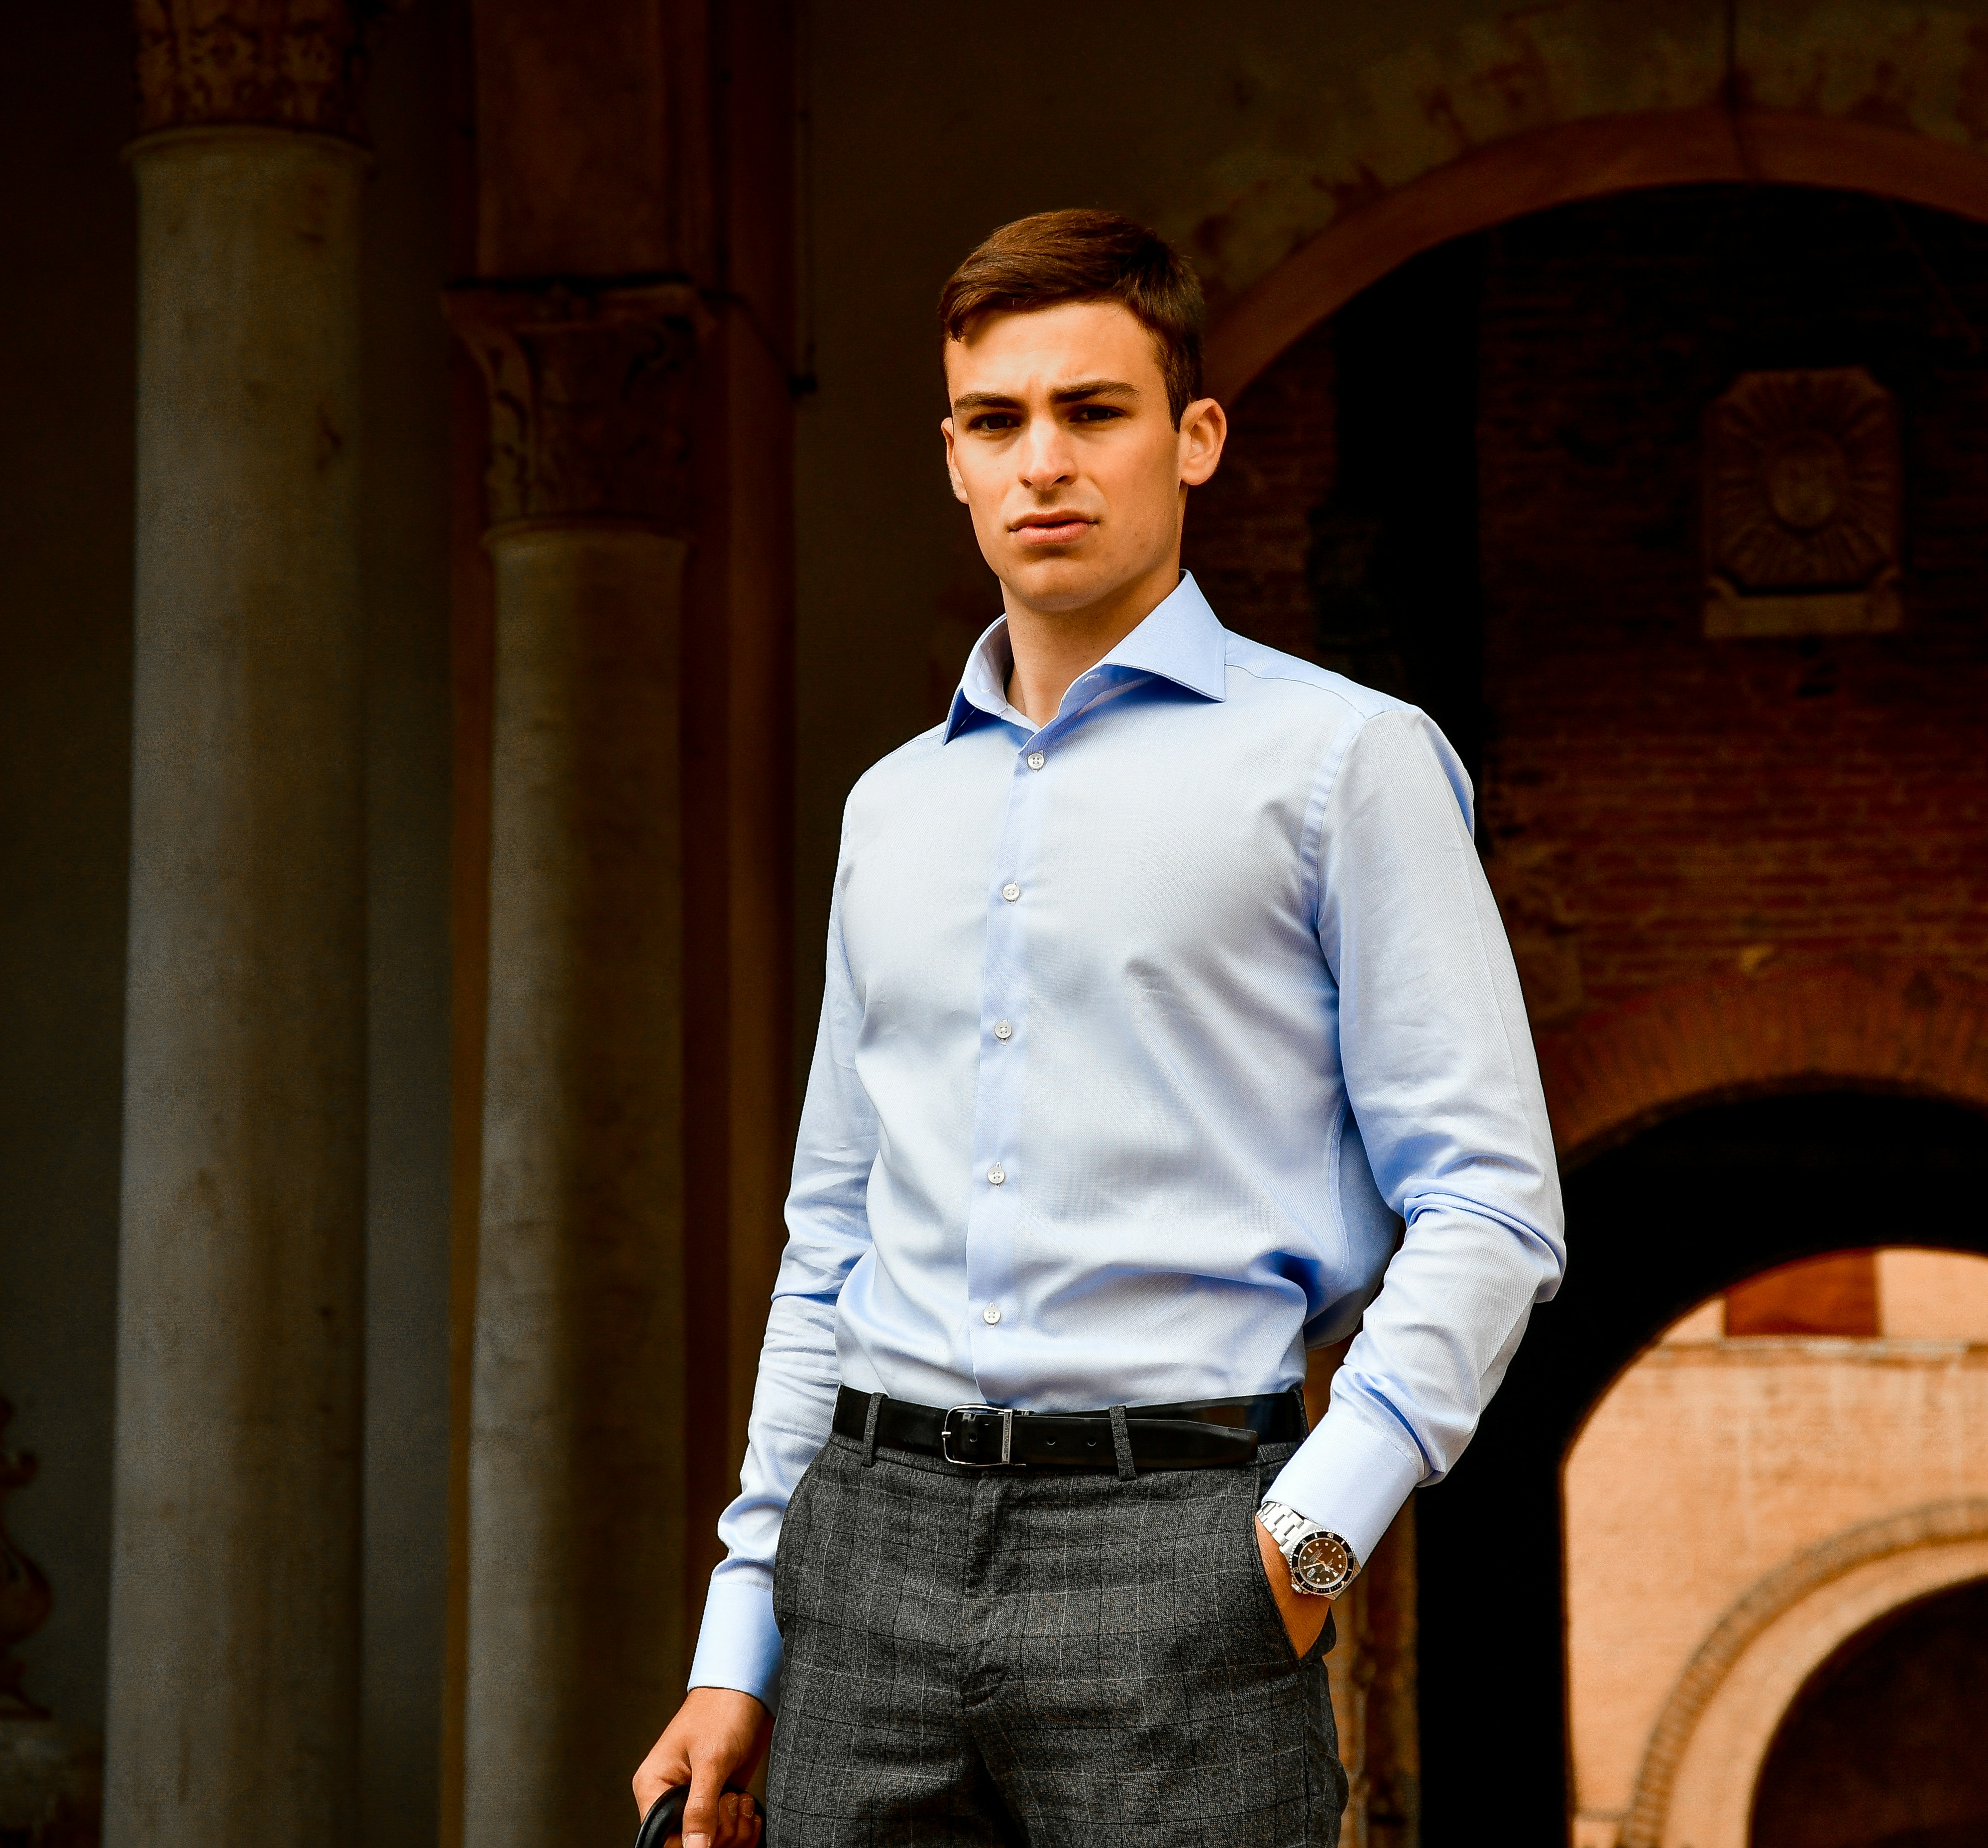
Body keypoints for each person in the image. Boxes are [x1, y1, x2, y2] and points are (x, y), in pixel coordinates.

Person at [634, 208, 1564, 1848]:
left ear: (1195, 438)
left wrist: (1310, 1543)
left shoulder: (1347, 764)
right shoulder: (891, 811)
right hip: (866, 1558)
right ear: (951, 457)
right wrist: (742, 1635)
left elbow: (1492, 1208)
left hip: (1183, 1559)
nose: (1042, 462)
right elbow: (829, 1246)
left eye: (1094, 410)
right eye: (997, 422)